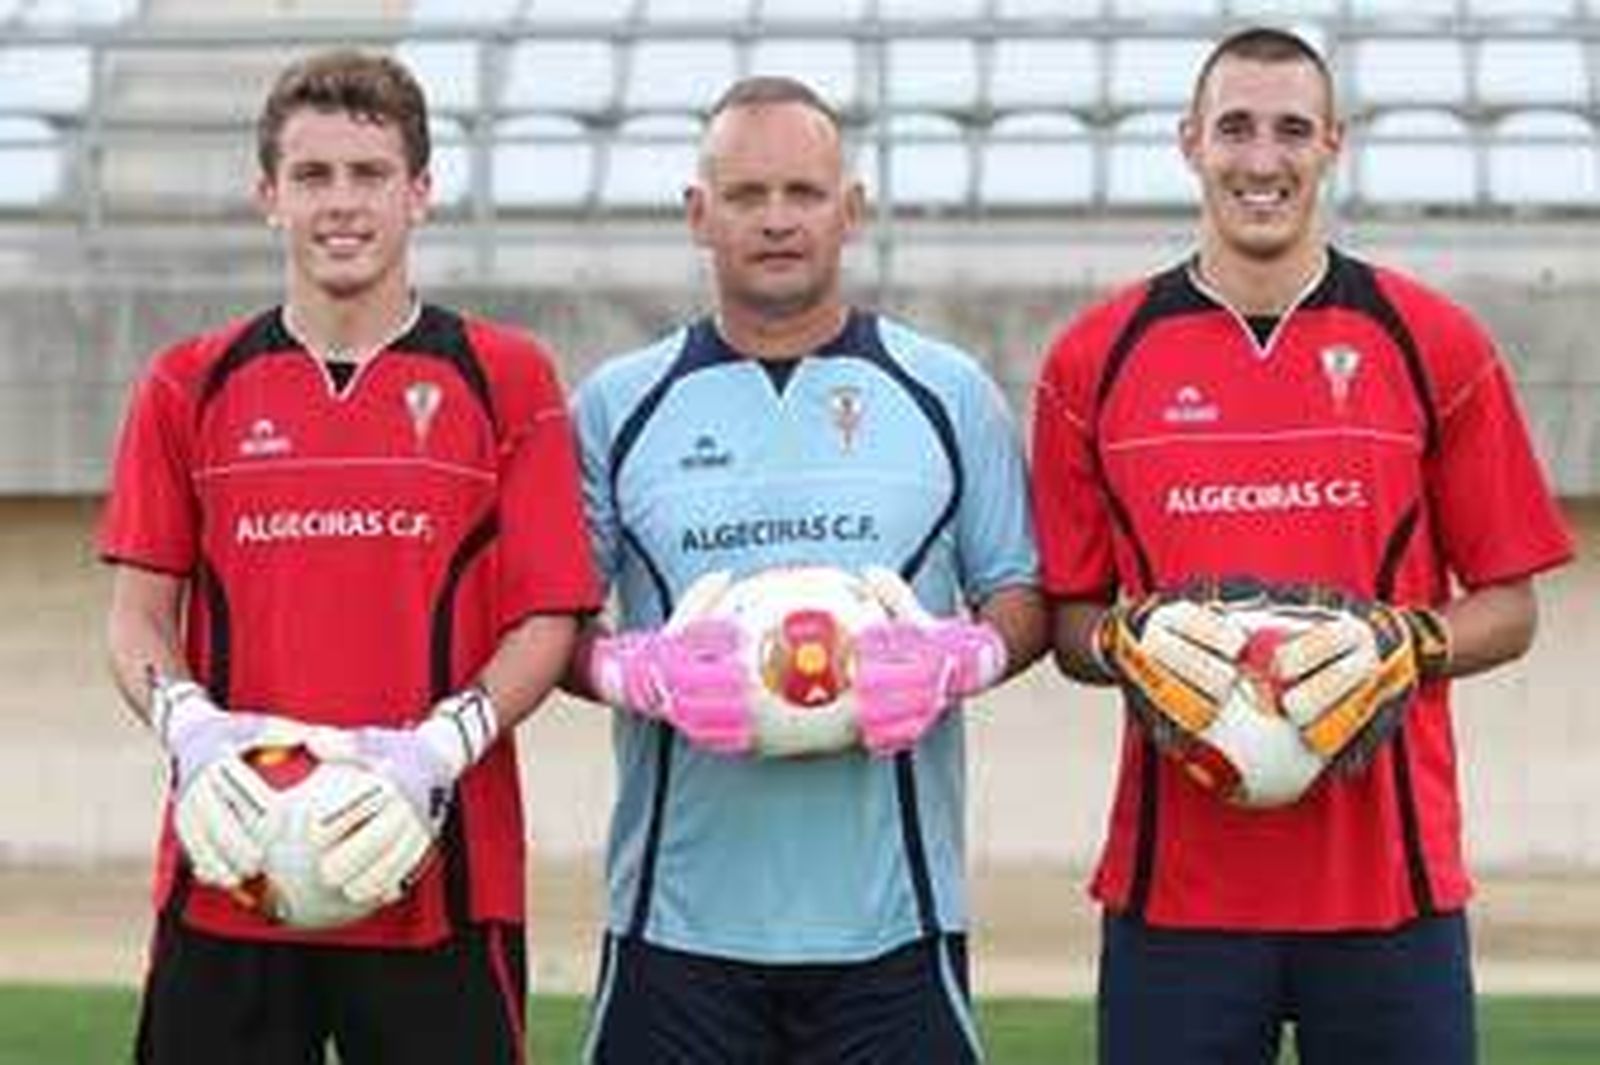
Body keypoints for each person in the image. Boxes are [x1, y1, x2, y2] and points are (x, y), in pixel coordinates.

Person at [1031, 26, 1575, 1065]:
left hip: (1392, 887)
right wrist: (1124, 643)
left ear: (1333, 144)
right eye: (1234, 127)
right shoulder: (1092, 360)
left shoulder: (1435, 342)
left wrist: (1404, 643)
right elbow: (1067, 623)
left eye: (1290, 130)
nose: (1262, 159)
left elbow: (1510, 608)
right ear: (1189, 143)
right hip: (1174, 893)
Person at [100, 50, 599, 1063]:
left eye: (369, 174)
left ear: (420, 192)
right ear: (268, 196)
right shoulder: (186, 383)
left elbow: (547, 618)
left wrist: (435, 754)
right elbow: (137, 616)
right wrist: (193, 731)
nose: (341, 202)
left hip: (439, 873)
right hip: (230, 862)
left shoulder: (506, 376)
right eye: (312, 175)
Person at [567, 76, 1045, 1063]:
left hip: (896, 928)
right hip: (673, 926)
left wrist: (966, 657)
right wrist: (625, 670)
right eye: (747, 195)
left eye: (804, 192)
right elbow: (552, 622)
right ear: (698, 213)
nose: (777, 219)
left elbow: (1021, 592)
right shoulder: (616, 405)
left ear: (851, 208)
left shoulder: (949, 392)